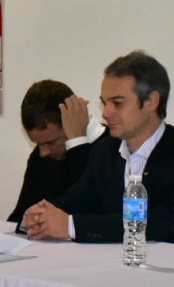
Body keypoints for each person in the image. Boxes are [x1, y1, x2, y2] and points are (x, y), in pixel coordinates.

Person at [23, 51, 174, 246]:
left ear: (151, 101)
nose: (106, 113)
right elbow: (77, 200)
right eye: (104, 103)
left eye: (117, 103)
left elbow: (163, 223)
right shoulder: (104, 152)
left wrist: (72, 226)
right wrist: (40, 215)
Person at [6, 79, 105, 225]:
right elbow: (21, 215)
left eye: (51, 143)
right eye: (38, 144)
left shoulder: (111, 148)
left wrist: (77, 144)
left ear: (71, 124)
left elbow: (92, 210)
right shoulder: (41, 154)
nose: (43, 153)